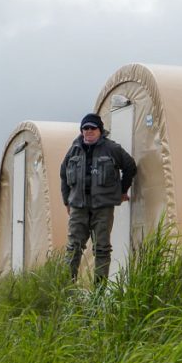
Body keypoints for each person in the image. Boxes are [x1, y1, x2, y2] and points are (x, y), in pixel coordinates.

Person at [60, 113, 137, 284]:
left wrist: (122, 191)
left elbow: (130, 166)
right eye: (85, 128)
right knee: (73, 248)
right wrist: (66, 201)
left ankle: (99, 293)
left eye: (92, 128)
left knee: (102, 249)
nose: (88, 131)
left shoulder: (112, 149)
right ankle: (66, 289)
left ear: (100, 130)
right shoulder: (74, 149)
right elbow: (63, 175)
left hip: (102, 208)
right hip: (78, 207)